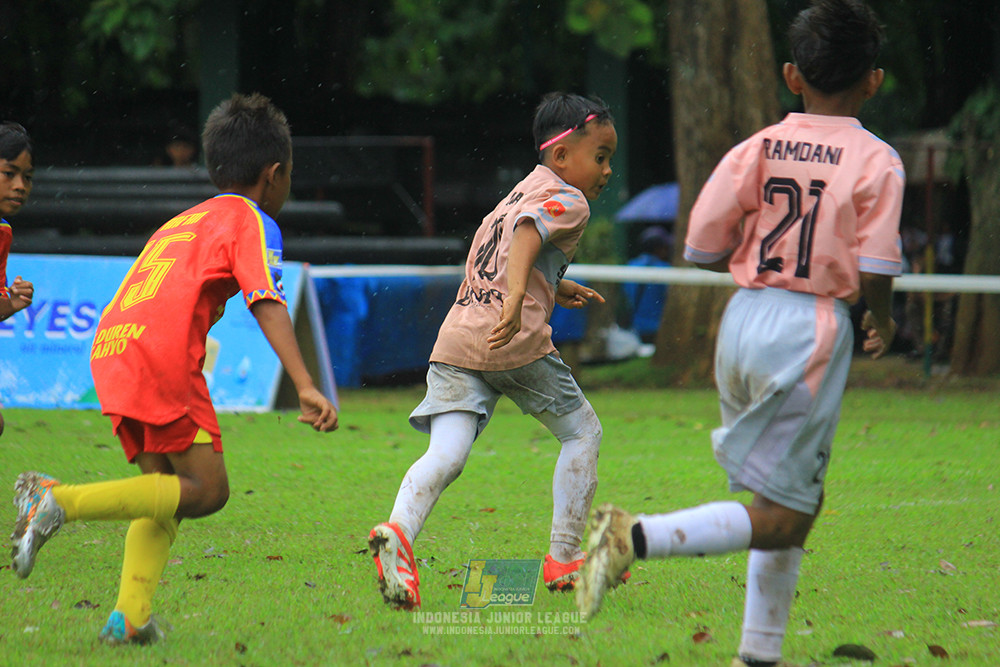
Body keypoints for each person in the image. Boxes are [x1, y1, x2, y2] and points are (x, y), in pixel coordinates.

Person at [575, 2, 903, 666]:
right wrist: (883, 316)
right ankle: (630, 538)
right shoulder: (877, 160)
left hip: (744, 318)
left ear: (791, 74)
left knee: (787, 505)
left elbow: (699, 245)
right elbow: (875, 266)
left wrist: (762, 266)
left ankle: (758, 654)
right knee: (784, 513)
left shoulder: (759, 146)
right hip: (809, 329)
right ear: (873, 81)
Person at [10, 93, 338, 645]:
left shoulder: (185, 219)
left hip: (112, 346)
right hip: (159, 356)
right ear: (273, 174)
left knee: (166, 489)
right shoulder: (250, 220)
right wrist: (305, 384)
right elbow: (265, 297)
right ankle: (57, 500)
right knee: (208, 491)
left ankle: (129, 617)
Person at [368, 92, 621, 609]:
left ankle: (398, 534)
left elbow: (507, 247)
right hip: (514, 341)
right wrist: (516, 298)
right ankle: (564, 558)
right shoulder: (569, 199)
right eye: (600, 156)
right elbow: (530, 234)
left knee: (445, 454)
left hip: (458, 338)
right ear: (560, 157)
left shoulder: (512, 195)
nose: (607, 170)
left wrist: (553, 284)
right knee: (582, 433)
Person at [0, 122, 36, 437]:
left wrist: (10, 304)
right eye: (9, 174)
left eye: (27, 177)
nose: (20, 185)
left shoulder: (3, 231)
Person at [622, 225, 672, 344]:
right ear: (658, 248)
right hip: (659, 327)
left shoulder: (630, 266)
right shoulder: (665, 269)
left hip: (635, 326)